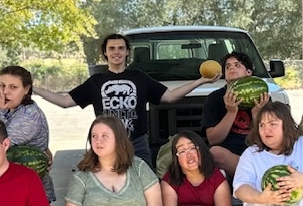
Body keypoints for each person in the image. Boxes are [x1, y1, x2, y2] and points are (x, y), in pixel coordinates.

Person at [33, 33, 219, 166]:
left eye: (121, 48)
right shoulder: (96, 82)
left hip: (137, 144)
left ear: (127, 52)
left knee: (145, 189)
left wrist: (201, 81)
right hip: (106, 145)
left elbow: (170, 97)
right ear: (105, 53)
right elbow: (65, 101)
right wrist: (33, 89)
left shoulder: (139, 77)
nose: (116, 52)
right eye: (111, 48)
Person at [0, 65, 55, 204]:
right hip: (12, 190)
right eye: (2, 86)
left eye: (13, 87)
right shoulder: (10, 109)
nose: (5, 92)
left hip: (29, 196)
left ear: (26, 89)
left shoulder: (29, 115)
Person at [202, 51, 270, 179]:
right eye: (227, 67)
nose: (231, 68)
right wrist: (231, 112)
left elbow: (268, 139)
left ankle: (247, 180)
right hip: (229, 154)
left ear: (249, 72)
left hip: (256, 151)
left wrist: (257, 114)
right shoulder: (214, 98)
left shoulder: (262, 97)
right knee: (215, 153)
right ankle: (257, 176)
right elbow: (213, 140)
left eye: (237, 65)